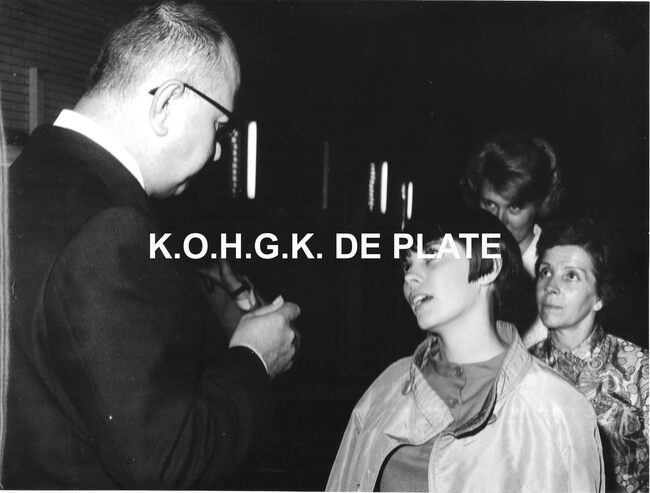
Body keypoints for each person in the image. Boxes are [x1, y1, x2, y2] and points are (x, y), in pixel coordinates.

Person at [4, 1, 300, 488]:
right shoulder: (111, 229)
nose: (218, 150)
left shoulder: (26, 175)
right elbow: (166, 462)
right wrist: (253, 358)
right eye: (219, 125)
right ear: (167, 104)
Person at [327, 207, 604, 492]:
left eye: (432, 255)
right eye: (407, 266)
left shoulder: (557, 406)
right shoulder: (387, 386)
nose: (410, 277)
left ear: (489, 267)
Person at [530, 218, 648, 493]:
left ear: (600, 296)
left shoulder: (640, 369)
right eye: (545, 272)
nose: (550, 286)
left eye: (571, 275)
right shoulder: (519, 369)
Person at [461, 130, 563, 347]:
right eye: (490, 204)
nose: (499, 220)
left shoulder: (556, 268)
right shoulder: (459, 258)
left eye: (514, 207)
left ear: (541, 204)